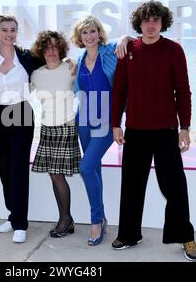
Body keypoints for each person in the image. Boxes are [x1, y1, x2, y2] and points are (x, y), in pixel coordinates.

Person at [110, 0, 196, 261]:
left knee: (174, 186)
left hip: (166, 129)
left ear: (163, 23)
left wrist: (185, 127)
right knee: (131, 185)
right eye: (146, 20)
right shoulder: (127, 49)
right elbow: (119, 90)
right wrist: (116, 123)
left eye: (156, 20)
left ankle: (186, 237)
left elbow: (183, 91)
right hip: (135, 130)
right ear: (139, 23)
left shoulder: (173, 50)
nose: (151, 25)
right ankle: (129, 234)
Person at [70, 15, 130, 246]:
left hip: (106, 119)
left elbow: (130, 41)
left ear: (99, 33)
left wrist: (125, 37)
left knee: (85, 166)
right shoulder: (80, 58)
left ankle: (96, 220)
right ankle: (102, 217)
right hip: (83, 119)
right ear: (80, 37)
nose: (89, 36)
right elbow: (77, 89)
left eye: (92, 31)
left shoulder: (110, 51)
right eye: (84, 33)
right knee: (93, 168)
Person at [0, 14, 43, 243]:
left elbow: (53, 59)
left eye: (13, 30)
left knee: (18, 167)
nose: (9, 34)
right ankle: (12, 214)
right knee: (4, 167)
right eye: (4, 29)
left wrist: (69, 65)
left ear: (17, 33)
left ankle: (20, 223)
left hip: (20, 112)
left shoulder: (27, 57)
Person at [30, 30, 80, 238]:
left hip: (66, 127)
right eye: (47, 47)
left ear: (61, 48)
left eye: (54, 47)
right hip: (47, 128)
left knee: (58, 176)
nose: (50, 51)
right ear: (41, 51)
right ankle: (65, 219)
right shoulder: (36, 74)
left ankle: (65, 219)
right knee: (54, 175)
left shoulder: (70, 68)